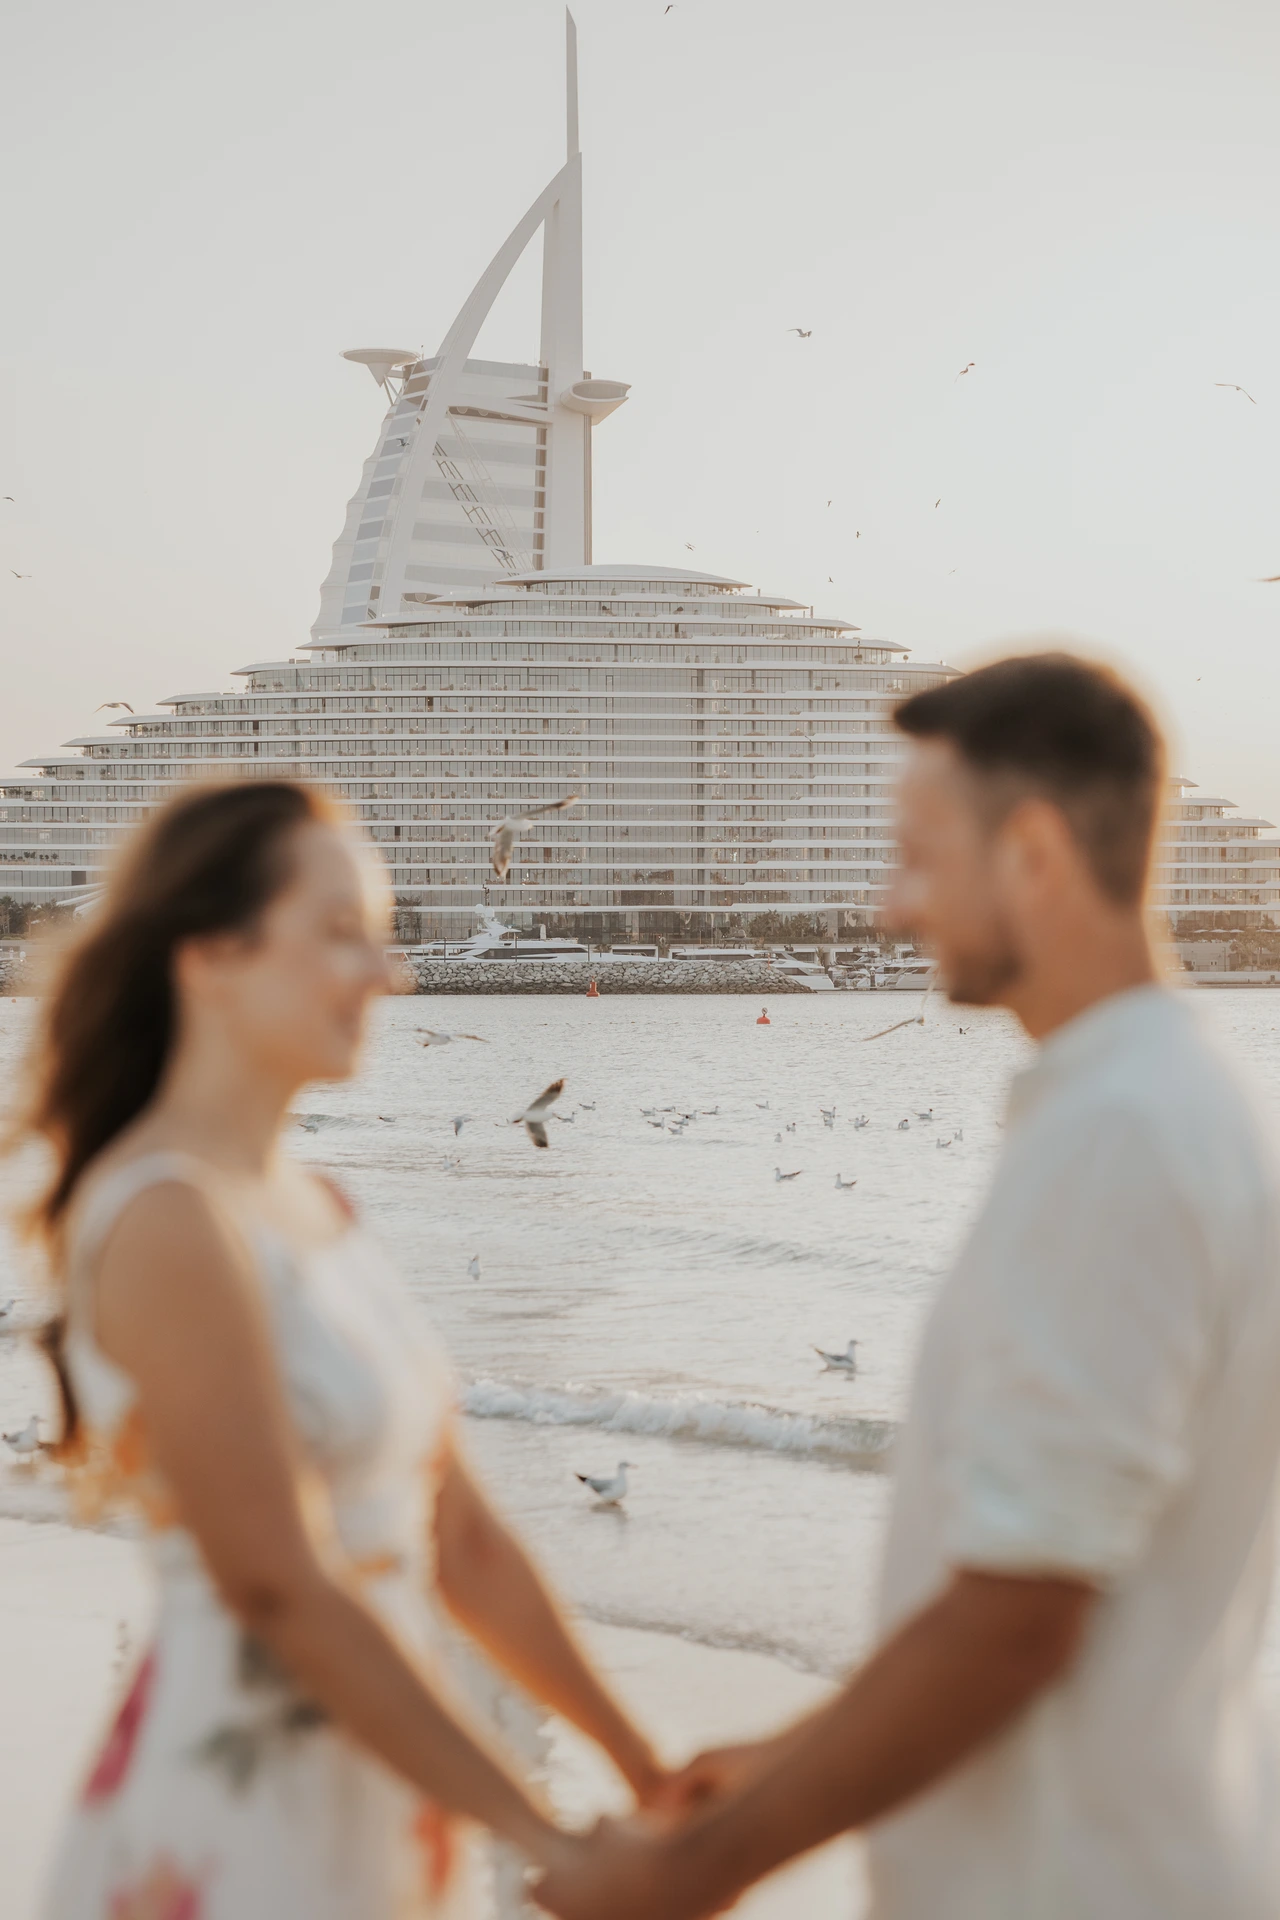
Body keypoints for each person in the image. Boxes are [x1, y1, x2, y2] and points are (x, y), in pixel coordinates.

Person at [536, 652, 1280, 1920]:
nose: (889, 907)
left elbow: (1015, 1620)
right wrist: (780, 1760)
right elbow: (1062, 1584)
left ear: (1032, 854)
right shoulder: (1176, 1106)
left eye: (917, 855)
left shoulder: (1118, 1139)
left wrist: (687, 1875)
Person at [14, 780, 672, 1919]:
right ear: (207, 957)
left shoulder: (318, 1207)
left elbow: (460, 1540)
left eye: (380, 937)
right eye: (337, 936)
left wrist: (646, 1773)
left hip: (386, 1783)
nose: (388, 974)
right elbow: (279, 1584)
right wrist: (537, 1834)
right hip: (241, 1818)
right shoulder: (167, 1218)